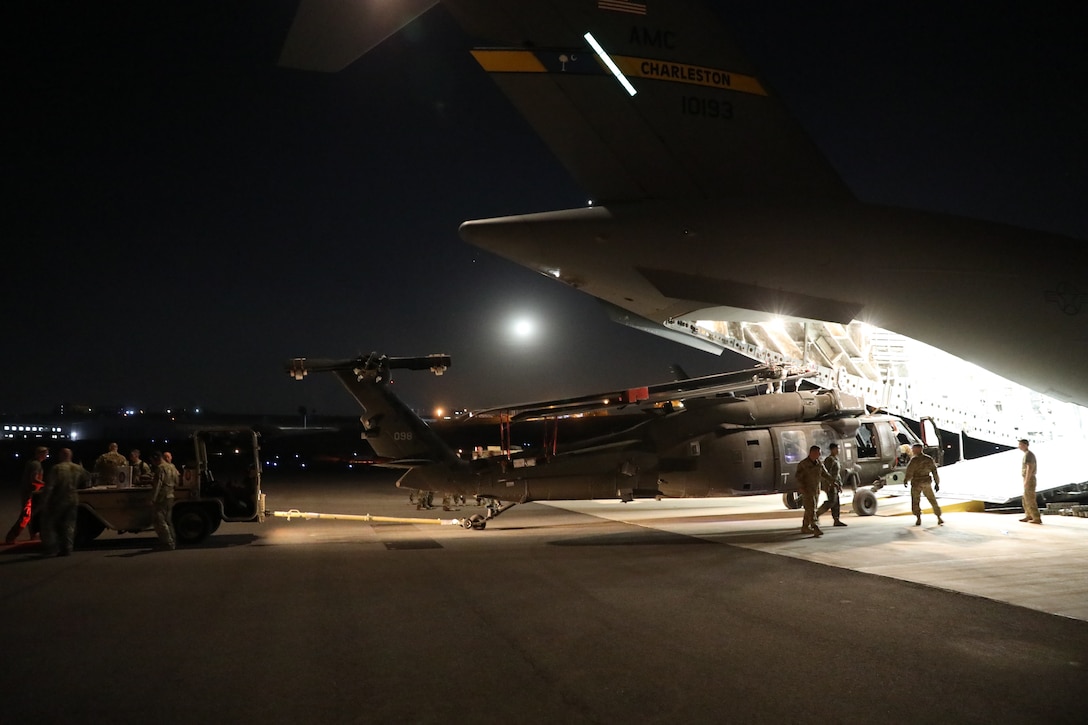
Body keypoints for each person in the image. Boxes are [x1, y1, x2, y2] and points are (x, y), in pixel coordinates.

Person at [39, 448, 90, 557]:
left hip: (58, 499)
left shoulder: (57, 468)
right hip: (73, 499)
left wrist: (44, 501)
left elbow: (49, 487)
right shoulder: (78, 468)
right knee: (69, 525)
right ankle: (67, 548)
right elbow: (87, 480)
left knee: (50, 523)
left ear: (61, 455)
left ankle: (51, 548)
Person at [5, 446, 48, 544]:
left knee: (31, 514)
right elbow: (33, 479)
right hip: (29, 493)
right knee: (26, 515)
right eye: (45, 453)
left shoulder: (32, 462)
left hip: (28, 491)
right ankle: (11, 536)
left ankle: (33, 534)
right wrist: (45, 484)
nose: (46, 455)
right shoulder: (36, 465)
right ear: (40, 454)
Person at [794, 445, 831, 536]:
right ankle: (815, 527)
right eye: (818, 453)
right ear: (812, 453)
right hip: (807, 490)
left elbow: (825, 474)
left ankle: (805, 527)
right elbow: (798, 477)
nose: (819, 454)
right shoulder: (803, 464)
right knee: (811, 509)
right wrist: (801, 487)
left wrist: (834, 482)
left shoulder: (819, 464)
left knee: (810, 509)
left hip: (816, 490)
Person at [904, 443, 943, 526]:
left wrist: (906, 480)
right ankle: (939, 517)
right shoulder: (929, 459)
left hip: (917, 483)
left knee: (915, 501)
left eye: (914, 449)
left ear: (918, 449)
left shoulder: (914, 460)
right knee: (932, 500)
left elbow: (909, 472)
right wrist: (937, 483)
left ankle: (918, 518)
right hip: (926, 483)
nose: (912, 450)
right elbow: (934, 471)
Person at [148, 450, 179, 550]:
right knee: (168, 520)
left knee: (160, 521)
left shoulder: (160, 469)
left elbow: (157, 485)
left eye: (153, 460)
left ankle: (168, 543)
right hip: (170, 496)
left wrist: (153, 499)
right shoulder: (172, 467)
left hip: (162, 498)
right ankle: (173, 539)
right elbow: (177, 481)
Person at [815, 442, 847, 526]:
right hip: (831, 484)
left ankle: (836, 519)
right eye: (837, 448)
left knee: (836, 502)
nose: (838, 450)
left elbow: (837, 474)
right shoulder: (829, 460)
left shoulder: (836, 459)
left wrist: (839, 484)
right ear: (833, 449)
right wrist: (828, 484)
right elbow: (826, 473)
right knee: (832, 501)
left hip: (835, 483)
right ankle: (817, 514)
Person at [1018, 439, 1042, 524]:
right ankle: (1029, 515)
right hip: (1027, 478)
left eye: (1020, 444)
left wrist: (1026, 480)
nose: (1019, 446)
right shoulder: (1027, 454)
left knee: (1030, 499)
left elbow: (1029, 467)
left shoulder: (1029, 455)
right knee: (1025, 498)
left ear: (1025, 445)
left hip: (1030, 478)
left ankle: (1036, 517)